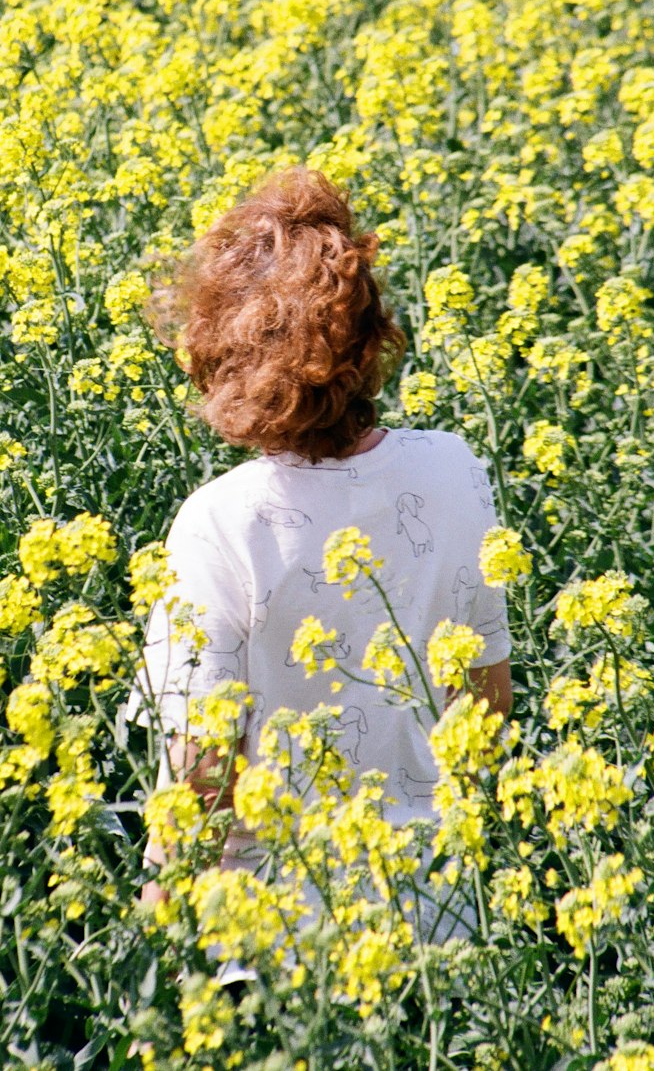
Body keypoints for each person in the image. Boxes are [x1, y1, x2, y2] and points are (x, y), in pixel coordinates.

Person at [126, 164, 513, 954]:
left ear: (222, 355)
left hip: (272, 944)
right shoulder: (455, 471)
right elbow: (485, 704)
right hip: (437, 926)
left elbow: (202, 772)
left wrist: (156, 953)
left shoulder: (217, 524)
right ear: (372, 339)